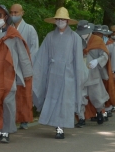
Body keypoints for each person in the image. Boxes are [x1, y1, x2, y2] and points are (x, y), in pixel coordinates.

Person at [32, 8, 87, 138]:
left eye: (63, 19)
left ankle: (60, 128)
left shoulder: (75, 38)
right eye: (58, 19)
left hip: (68, 74)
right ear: (55, 21)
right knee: (52, 99)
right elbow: (42, 57)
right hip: (52, 74)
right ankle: (56, 125)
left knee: (64, 101)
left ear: (68, 21)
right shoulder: (50, 36)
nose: (60, 21)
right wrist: (38, 71)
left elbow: (78, 61)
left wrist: (78, 76)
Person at [0, 4, 34, 143]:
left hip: (9, 75)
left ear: (6, 16)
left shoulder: (13, 34)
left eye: (0, 15)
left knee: (8, 103)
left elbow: (22, 54)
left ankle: (6, 131)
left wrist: (27, 73)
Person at [9, 3, 39, 130]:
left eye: (16, 12)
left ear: (22, 13)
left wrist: (27, 63)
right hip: (10, 66)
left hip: (25, 66)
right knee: (11, 94)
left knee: (25, 94)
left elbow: (35, 48)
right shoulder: (8, 28)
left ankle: (24, 120)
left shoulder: (30, 29)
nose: (14, 15)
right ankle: (11, 120)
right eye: (12, 12)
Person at [78, 21, 111, 125]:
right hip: (80, 73)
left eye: (85, 32)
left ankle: (99, 112)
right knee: (80, 96)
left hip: (93, 73)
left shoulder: (97, 40)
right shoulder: (76, 40)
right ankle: (81, 118)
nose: (83, 34)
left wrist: (97, 61)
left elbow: (105, 55)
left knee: (97, 95)